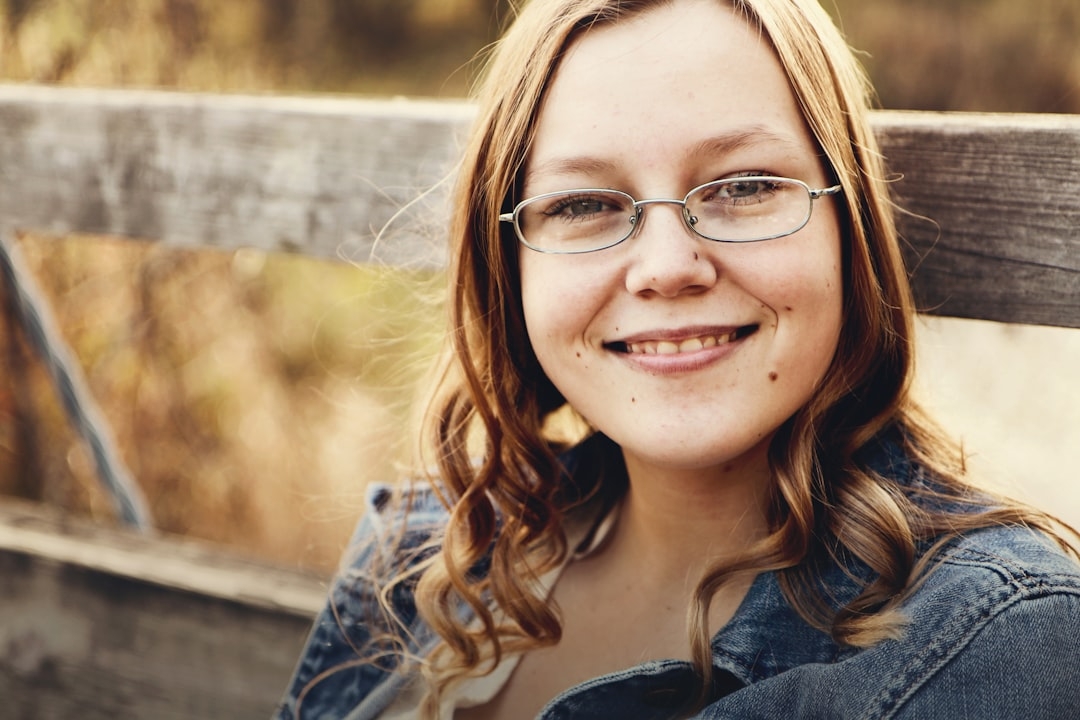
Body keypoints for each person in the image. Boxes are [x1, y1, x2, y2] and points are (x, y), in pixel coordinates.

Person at [276, 0, 1080, 718]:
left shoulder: (997, 640)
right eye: (584, 204)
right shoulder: (424, 555)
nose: (666, 266)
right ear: (509, 264)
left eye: (744, 186)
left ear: (849, 228)